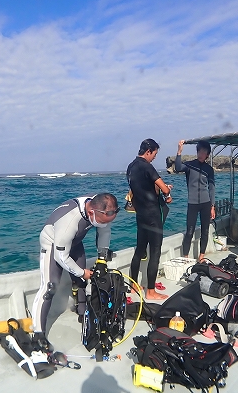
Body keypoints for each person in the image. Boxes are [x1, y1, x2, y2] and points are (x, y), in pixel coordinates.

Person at [31, 192, 120, 350]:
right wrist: (81, 271)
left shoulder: (100, 205)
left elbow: (104, 230)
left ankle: (82, 312)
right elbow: (61, 258)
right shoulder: (69, 221)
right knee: (50, 287)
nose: (103, 224)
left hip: (74, 241)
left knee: (81, 281)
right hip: (52, 244)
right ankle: (38, 334)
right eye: (101, 221)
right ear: (92, 212)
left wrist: (101, 257)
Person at [127, 139, 173, 301]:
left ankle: (133, 285)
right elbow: (164, 188)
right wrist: (167, 193)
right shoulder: (147, 166)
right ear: (149, 151)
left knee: (140, 250)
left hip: (140, 215)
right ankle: (151, 291)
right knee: (155, 252)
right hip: (153, 215)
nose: (154, 157)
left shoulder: (131, 167)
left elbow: (142, 188)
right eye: (154, 154)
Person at [175, 139, 215, 262]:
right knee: (189, 230)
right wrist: (179, 151)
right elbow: (177, 167)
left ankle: (201, 255)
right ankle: (186, 256)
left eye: (204, 152)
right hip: (192, 203)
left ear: (207, 154)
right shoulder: (190, 165)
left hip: (206, 203)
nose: (201, 154)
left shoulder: (209, 169)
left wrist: (212, 206)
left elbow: (212, 188)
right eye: (199, 151)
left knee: (205, 230)